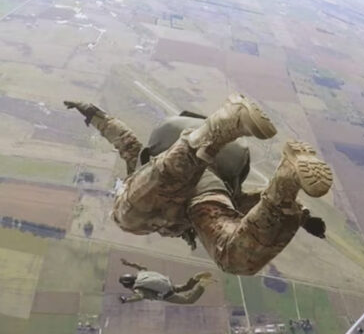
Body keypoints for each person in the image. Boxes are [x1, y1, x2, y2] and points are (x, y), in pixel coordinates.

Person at [64, 93, 331, 275]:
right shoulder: (196, 210)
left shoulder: (144, 179)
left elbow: (125, 141)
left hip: (194, 163)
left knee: (125, 217)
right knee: (235, 259)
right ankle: (286, 178)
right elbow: (248, 200)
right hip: (210, 183)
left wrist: (93, 114)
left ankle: (210, 134)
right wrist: (299, 215)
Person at [117, 258, 213, 304]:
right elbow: (141, 266)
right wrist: (128, 263)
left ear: (128, 285)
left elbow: (139, 297)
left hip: (167, 295)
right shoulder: (141, 274)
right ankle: (195, 278)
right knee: (186, 287)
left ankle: (201, 285)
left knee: (188, 300)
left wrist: (126, 300)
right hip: (167, 283)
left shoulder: (138, 289)